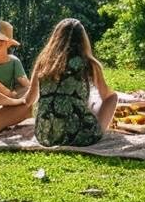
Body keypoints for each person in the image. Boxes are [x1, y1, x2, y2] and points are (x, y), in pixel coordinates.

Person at [26, 18, 118, 147]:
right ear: (83, 40)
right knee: (112, 97)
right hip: (80, 136)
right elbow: (107, 96)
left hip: (45, 136)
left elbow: (29, 100)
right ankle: (99, 132)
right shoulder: (89, 64)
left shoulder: (43, 62)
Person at [0, 19, 30, 97]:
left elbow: (26, 84)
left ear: (8, 44)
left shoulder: (14, 62)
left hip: (5, 101)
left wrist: (12, 94)